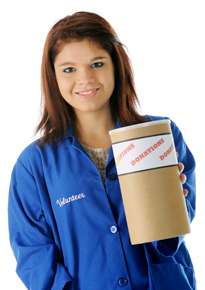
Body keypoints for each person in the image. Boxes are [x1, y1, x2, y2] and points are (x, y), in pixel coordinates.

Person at [8, 11, 196, 290]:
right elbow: (34, 255)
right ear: (53, 77)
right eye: (69, 69)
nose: (85, 79)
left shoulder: (159, 135)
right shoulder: (34, 165)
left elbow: (173, 233)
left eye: (97, 63)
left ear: (116, 66)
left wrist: (172, 207)